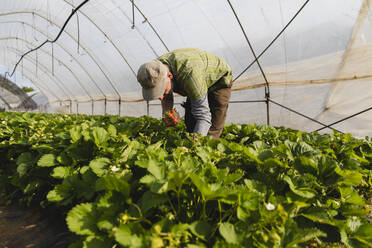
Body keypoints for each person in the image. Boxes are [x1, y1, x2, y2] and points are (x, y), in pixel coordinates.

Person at [137, 48, 232, 140]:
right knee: (190, 122)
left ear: (170, 76)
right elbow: (166, 96)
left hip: (219, 80)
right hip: (196, 77)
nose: (160, 97)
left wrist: (194, 145)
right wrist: (167, 115)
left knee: (212, 127)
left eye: (160, 90)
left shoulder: (189, 74)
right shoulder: (155, 69)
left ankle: (205, 149)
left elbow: (203, 117)